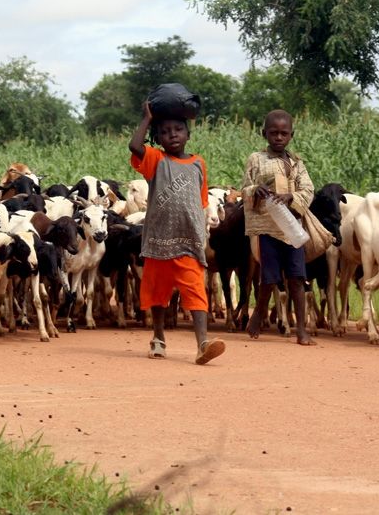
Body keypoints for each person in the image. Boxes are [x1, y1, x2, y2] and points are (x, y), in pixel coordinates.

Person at [129, 102, 225, 365]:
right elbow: (135, 147)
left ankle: (202, 344)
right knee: (157, 294)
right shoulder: (156, 161)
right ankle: (158, 337)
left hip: (189, 241)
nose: (172, 134)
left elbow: (201, 202)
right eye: (166, 131)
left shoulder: (198, 164)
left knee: (196, 291)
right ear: (158, 138)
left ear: (188, 134)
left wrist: (201, 232)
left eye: (178, 129)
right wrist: (146, 119)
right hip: (159, 240)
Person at [241, 109, 316, 345]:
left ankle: (301, 330)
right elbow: (245, 188)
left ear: (291, 135)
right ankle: (259, 313)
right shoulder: (256, 159)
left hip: (291, 227)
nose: (279, 137)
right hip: (268, 228)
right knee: (269, 278)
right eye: (274, 133)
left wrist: (290, 197)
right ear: (265, 133)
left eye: (284, 133)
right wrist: (255, 191)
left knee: (297, 278)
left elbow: (308, 190)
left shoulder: (296, 163)